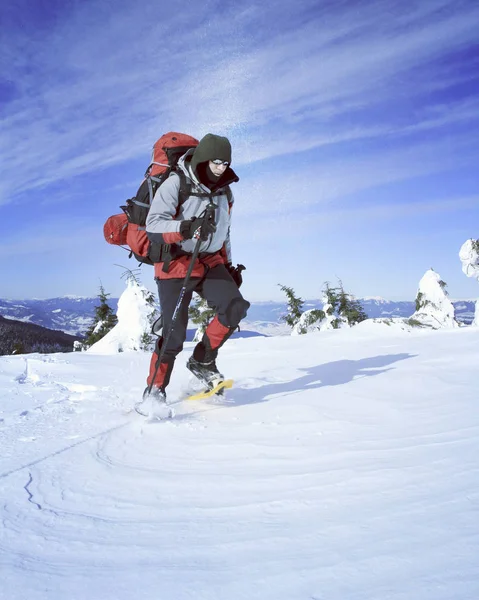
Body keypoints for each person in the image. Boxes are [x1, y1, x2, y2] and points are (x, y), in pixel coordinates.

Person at [135, 133, 250, 414]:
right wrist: (185, 228)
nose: (222, 168)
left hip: (209, 260)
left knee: (235, 307)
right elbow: (154, 224)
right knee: (174, 333)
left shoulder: (226, 192)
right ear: (203, 159)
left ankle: (202, 360)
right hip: (175, 261)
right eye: (216, 162)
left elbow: (224, 234)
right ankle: (155, 390)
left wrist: (230, 265)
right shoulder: (177, 183)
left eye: (226, 162)